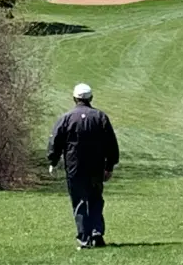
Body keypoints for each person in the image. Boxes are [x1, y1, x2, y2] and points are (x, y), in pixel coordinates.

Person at [47, 83, 120, 250]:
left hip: (75, 168)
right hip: (96, 167)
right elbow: (111, 144)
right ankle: (96, 233)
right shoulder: (100, 117)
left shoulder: (66, 118)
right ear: (91, 98)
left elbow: (55, 141)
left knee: (79, 202)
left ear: (74, 98)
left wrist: (53, 160)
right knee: (95, 199)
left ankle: (84, 238)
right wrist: (109, 166)